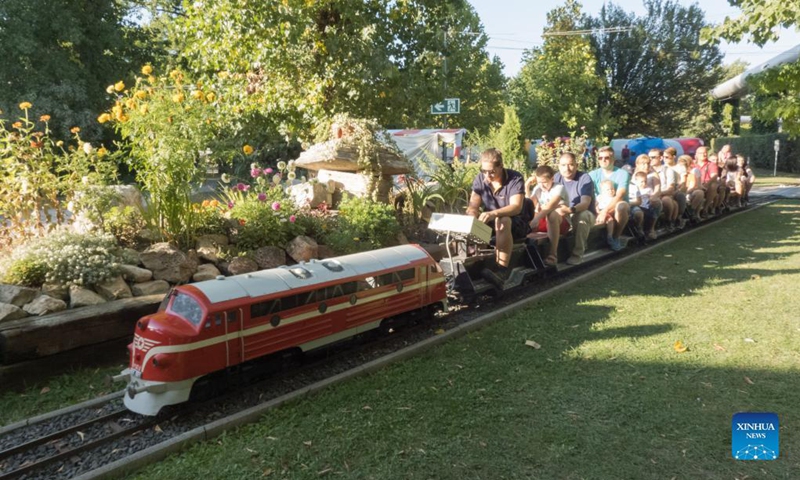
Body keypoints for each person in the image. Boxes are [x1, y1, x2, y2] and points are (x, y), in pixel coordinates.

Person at [467, 148, 529, 278]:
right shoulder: (480, 179)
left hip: (516, 222)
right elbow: (473, 206)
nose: (487, 175)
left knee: (502, 220)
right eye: (484, 171)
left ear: (501, 166)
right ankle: (478, 263)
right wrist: (472, 217)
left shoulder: (515, 178)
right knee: (477, 221)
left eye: (491, 172)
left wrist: (493, 213)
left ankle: (502, 270)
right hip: (492, 221)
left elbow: (516, 207)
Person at [553, 152, 596, 265]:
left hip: (582, 213)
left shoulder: (584, 178)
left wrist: (569, 210)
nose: (567, 168)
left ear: (576, 165)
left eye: (571, 164)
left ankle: (578, 254)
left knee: (582, 216)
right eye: (563, 165)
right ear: (559, 166)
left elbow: (585, 204)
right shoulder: (556, 178)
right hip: (562, 213)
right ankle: (551, 253)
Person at [526, 165, 570, 267]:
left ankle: (553, 254)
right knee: (527, 212)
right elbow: (529, 205)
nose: (542, 186)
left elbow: (551, 205)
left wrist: (536, 218)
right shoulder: (538, 189)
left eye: (545, 182)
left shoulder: (559, 188)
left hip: (560, 223)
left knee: (552, 213)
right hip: (544, 222)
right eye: (539, 182)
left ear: (552, 179)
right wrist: (527, 186)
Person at [588, 146, 630, 252]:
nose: (603, 160)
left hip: (616, 205)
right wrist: (597, 209)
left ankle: (615, 237)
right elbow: (591, 195)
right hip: (600, 205)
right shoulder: (592, 175)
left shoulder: (622, 174)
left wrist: (605, 211)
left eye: (606, 157)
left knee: (621, 206)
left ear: (613, 159)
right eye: (600, 158)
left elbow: (620, 195)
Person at [628, 170, 656, 242]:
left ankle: (647, 231)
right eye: (642, 182)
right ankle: (640, 231)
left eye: (645, 181)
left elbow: (650, 198)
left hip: (645, 206)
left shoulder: (648, 189)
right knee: (639, 213)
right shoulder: (633, 188)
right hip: (638, 207)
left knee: (650, 214)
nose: (644, 183)